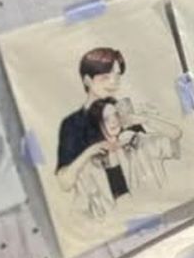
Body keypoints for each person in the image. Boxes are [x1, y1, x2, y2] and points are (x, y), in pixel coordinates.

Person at [54, 47, 145, 196]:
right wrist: (90, 152)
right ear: (87, 80)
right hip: (102, 202)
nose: (113, 83)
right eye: (105, 77)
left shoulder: (122, 111)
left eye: (117, 76)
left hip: (144, 196)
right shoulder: (73, 125)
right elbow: (64, 183)